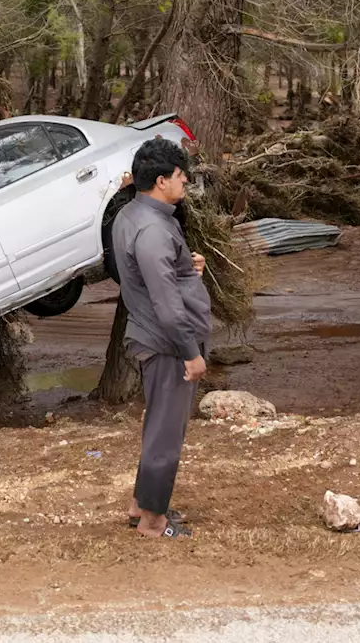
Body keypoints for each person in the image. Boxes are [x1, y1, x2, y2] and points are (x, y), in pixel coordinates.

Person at [111, 137, 211, 539]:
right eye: (179, 174)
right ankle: (153, 522)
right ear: (160, 181)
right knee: (167, 434)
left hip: (155, 337)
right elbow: (167, 303)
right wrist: (191, 353)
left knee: (158, 427)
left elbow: (148, 273)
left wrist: (187, 266)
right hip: (168, 343)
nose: (184, 180)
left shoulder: (134, 215)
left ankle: (141, 505)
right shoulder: (153, 229)